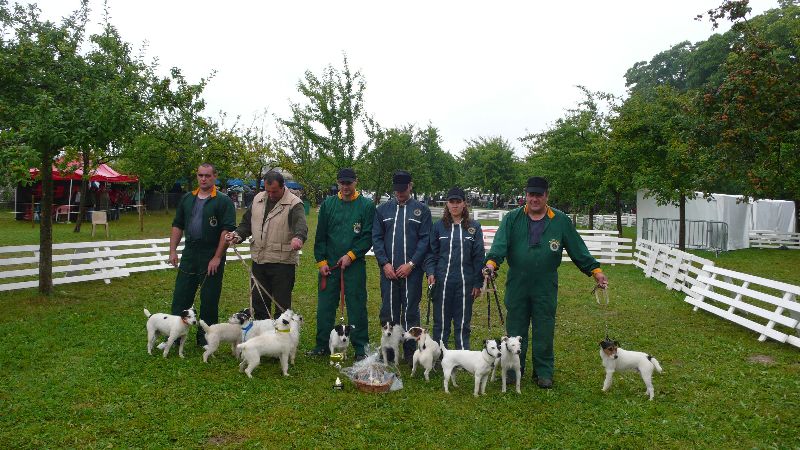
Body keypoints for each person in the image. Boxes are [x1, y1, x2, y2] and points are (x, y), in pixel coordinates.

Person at [484, 176, 609, 389]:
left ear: (546, 196)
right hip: (517, 283)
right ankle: (515, 370)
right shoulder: (512, 218)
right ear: (526, 195)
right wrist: (491, 265)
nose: (534, 199)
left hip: (545, 284)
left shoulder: (560, 220)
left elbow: (579, 249)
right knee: (516, 327)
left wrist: (595, 271)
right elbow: (499, 246)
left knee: (544, 327)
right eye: (531, 195)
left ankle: (543, 372)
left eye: (538, 195)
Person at [308, 168, 376, 360]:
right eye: (342, 183)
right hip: (329, 266)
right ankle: (322, 344)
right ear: (338, 183)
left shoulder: (366, 205)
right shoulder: (328, 204)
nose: (345, 187)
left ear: (356, 182)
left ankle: (360, 347)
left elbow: (367, 235)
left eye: (349, 183)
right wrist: (321, 262)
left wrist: (351, 255)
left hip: (354, 266)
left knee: (357, 305)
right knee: (325, 306)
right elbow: (320, 236)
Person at [169, 163, 236, 347]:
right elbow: (177, 225)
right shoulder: (187, 199)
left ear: (215, 176)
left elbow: (227, 230)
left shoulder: (223, 201)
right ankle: (174, 337)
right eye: (200, 175)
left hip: (211, 253)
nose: (203, 179)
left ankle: (206, 339)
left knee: (209, 298)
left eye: (207, 175)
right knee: (181, 295)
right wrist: (173, 250)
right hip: (190, 252)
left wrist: (217, 257)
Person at [225, 171, 308, 319]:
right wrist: (237, 235)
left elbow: (300, 225)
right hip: (259, 260)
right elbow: (246, 224)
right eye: (267, 190)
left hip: (282, 263)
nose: (270, 194)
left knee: (281, 307)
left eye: (274, 191)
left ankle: (281, 339)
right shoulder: (258, 199)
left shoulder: (294, 203)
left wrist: (298, 237)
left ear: (283, 187)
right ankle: (262, 339)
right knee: (259, 303)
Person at [372, 170, 432, 363]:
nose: (400, 193)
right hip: (388, 271)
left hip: (411, 271)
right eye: (396, 190)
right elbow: (377, 238)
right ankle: (389, 350)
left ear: (410, 186)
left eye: (403, 189)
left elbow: (425, 240)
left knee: (410, 310)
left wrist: (412, 264)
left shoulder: (422, 210)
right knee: (388, 309)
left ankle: (409, 350)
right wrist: (384, 263)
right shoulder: (382, 210)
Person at [424, 187, 484, 350]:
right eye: (452, 202)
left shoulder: (474, 227)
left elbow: (479, 257)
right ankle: (439, 355)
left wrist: (478, 283)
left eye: (458, 202)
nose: (455, 205)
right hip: (442, 282)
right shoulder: (438, 227)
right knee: (441, 321)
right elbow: (430, 253)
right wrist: (430, 272)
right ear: (447, 205)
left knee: (463, 322)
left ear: (464, 204)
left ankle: (462, 355)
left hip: (465, 283)